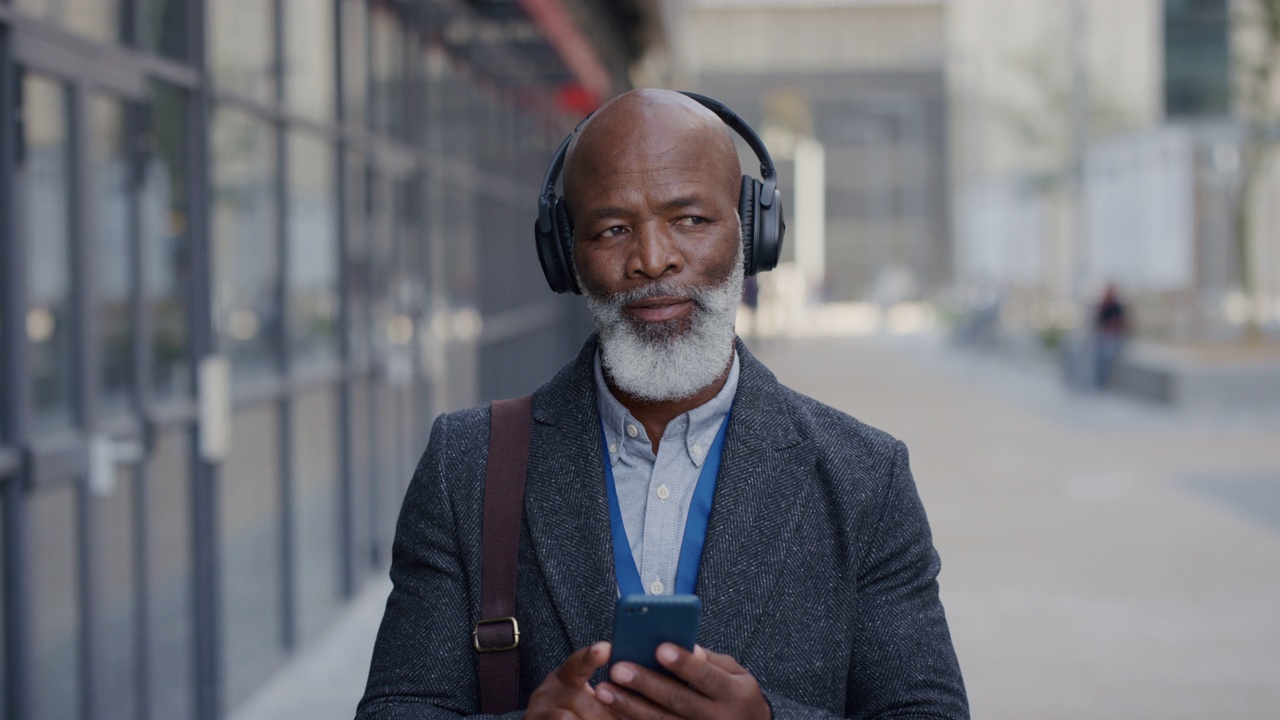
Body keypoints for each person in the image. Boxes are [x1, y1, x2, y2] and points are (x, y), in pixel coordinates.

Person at [356, 89, 967, 719]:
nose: (652, 260)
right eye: (613, 228)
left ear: (752, 232)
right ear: (566, 254)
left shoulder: (867, 476)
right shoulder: (467, 466)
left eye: (690, 220)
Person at [1092, 283, 1129, 388]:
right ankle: (1097, 381)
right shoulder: (1104, 305)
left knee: (1106, 355)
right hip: (1103, 336)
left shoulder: (1117, 306)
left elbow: (1120, 324)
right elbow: (1098, 322)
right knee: (1096, 355)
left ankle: (1102, 381)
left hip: (1113, 337)